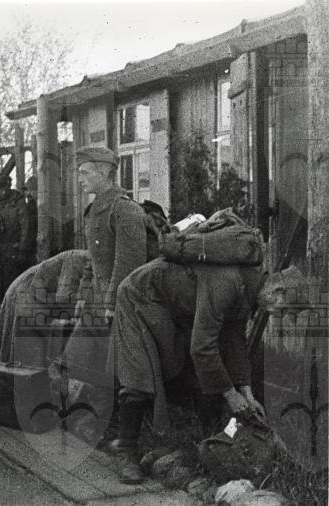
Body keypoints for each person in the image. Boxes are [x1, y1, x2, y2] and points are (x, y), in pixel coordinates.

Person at [109, 258, 271, 484]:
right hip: (139, 294)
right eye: (286, 309)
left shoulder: (247, 287)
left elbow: (235, 341)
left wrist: (248, 395)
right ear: (277, 291)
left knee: (196, 370)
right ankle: (125, 450)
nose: (283, 315)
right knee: (141, 371)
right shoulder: (228, 283)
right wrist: (230, 394)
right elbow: (202, 347)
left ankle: (207, 443)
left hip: (171, 304)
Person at [62, 146, 147, 386]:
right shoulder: (96, 210)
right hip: (96, 300)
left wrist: (111, 305)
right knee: (75, 361)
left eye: (85, 172)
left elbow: (128, 263)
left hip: (119, 302)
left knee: (117, 371)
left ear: (103, 172)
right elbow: (93, 260)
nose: (80, 179)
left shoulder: (124, 210)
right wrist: (82, 296)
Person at [0, 175, 30, 320]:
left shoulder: (17, 201)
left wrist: (22, 247)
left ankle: (11, 315)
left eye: (5, 189)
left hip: (12, 247)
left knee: (10, 282)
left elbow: (25, 225)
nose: (2, 192)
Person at [23, 175, 38, 269]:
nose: (28, 193)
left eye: (31, 190)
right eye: (27, 190)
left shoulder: (35, 206)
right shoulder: (29, 205)